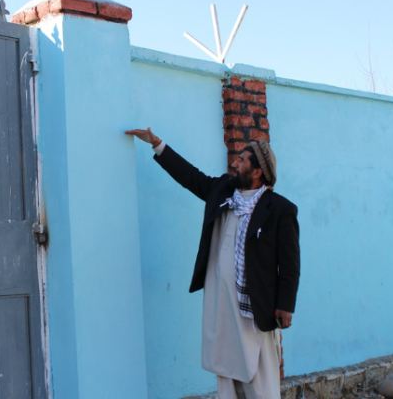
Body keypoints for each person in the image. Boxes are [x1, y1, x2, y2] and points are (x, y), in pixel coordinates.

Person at [125, 128, 300, 399]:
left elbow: (290, 264)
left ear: (257, 172)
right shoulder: (222, 192)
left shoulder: (279, 209)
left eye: (242, 160)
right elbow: (191, 178)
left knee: (259, 376)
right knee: (225, 369)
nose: (234, 163)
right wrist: (158, 144)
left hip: (254, 308)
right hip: (221, 303)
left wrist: (285, 305)